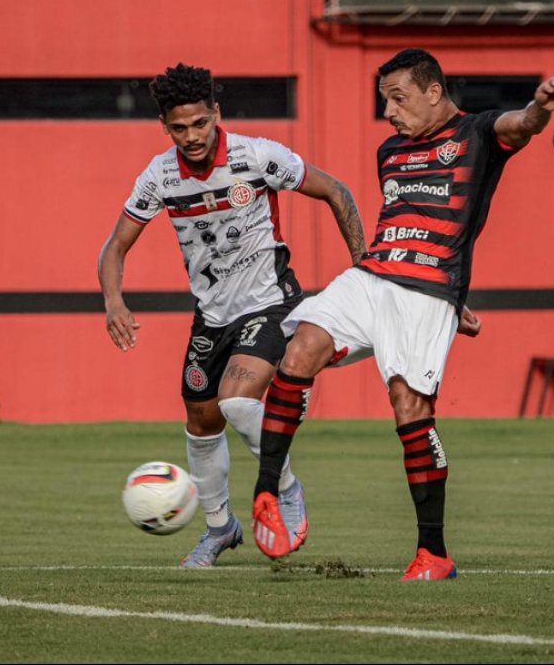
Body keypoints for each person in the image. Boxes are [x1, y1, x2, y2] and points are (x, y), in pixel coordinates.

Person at [249, 48, 554, 581]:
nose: (390, 113)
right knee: (300, 348)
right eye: (385, 101)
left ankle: (434, 553)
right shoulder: (391, 152)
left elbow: (522, 125)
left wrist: (540, 107)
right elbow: (407, 222)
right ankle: (267, 491)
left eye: (398, 99)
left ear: (433, 92)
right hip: (373, 274)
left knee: (408, 406)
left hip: (426, 292)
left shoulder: (476, 134)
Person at [99, 63, 367, 568]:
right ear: (164, 127)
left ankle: (285, 487)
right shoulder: (159, 176)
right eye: (179, 128)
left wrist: (364, 269)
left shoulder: (257, 156)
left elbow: (337, 191)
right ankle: (220, 528)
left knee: (237, 402)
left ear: (216, 114)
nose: (192, 136)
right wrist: (114, 300)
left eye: (200, 123)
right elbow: (115, 247)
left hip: (271, 302)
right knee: (201, 424)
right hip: (212, 316)